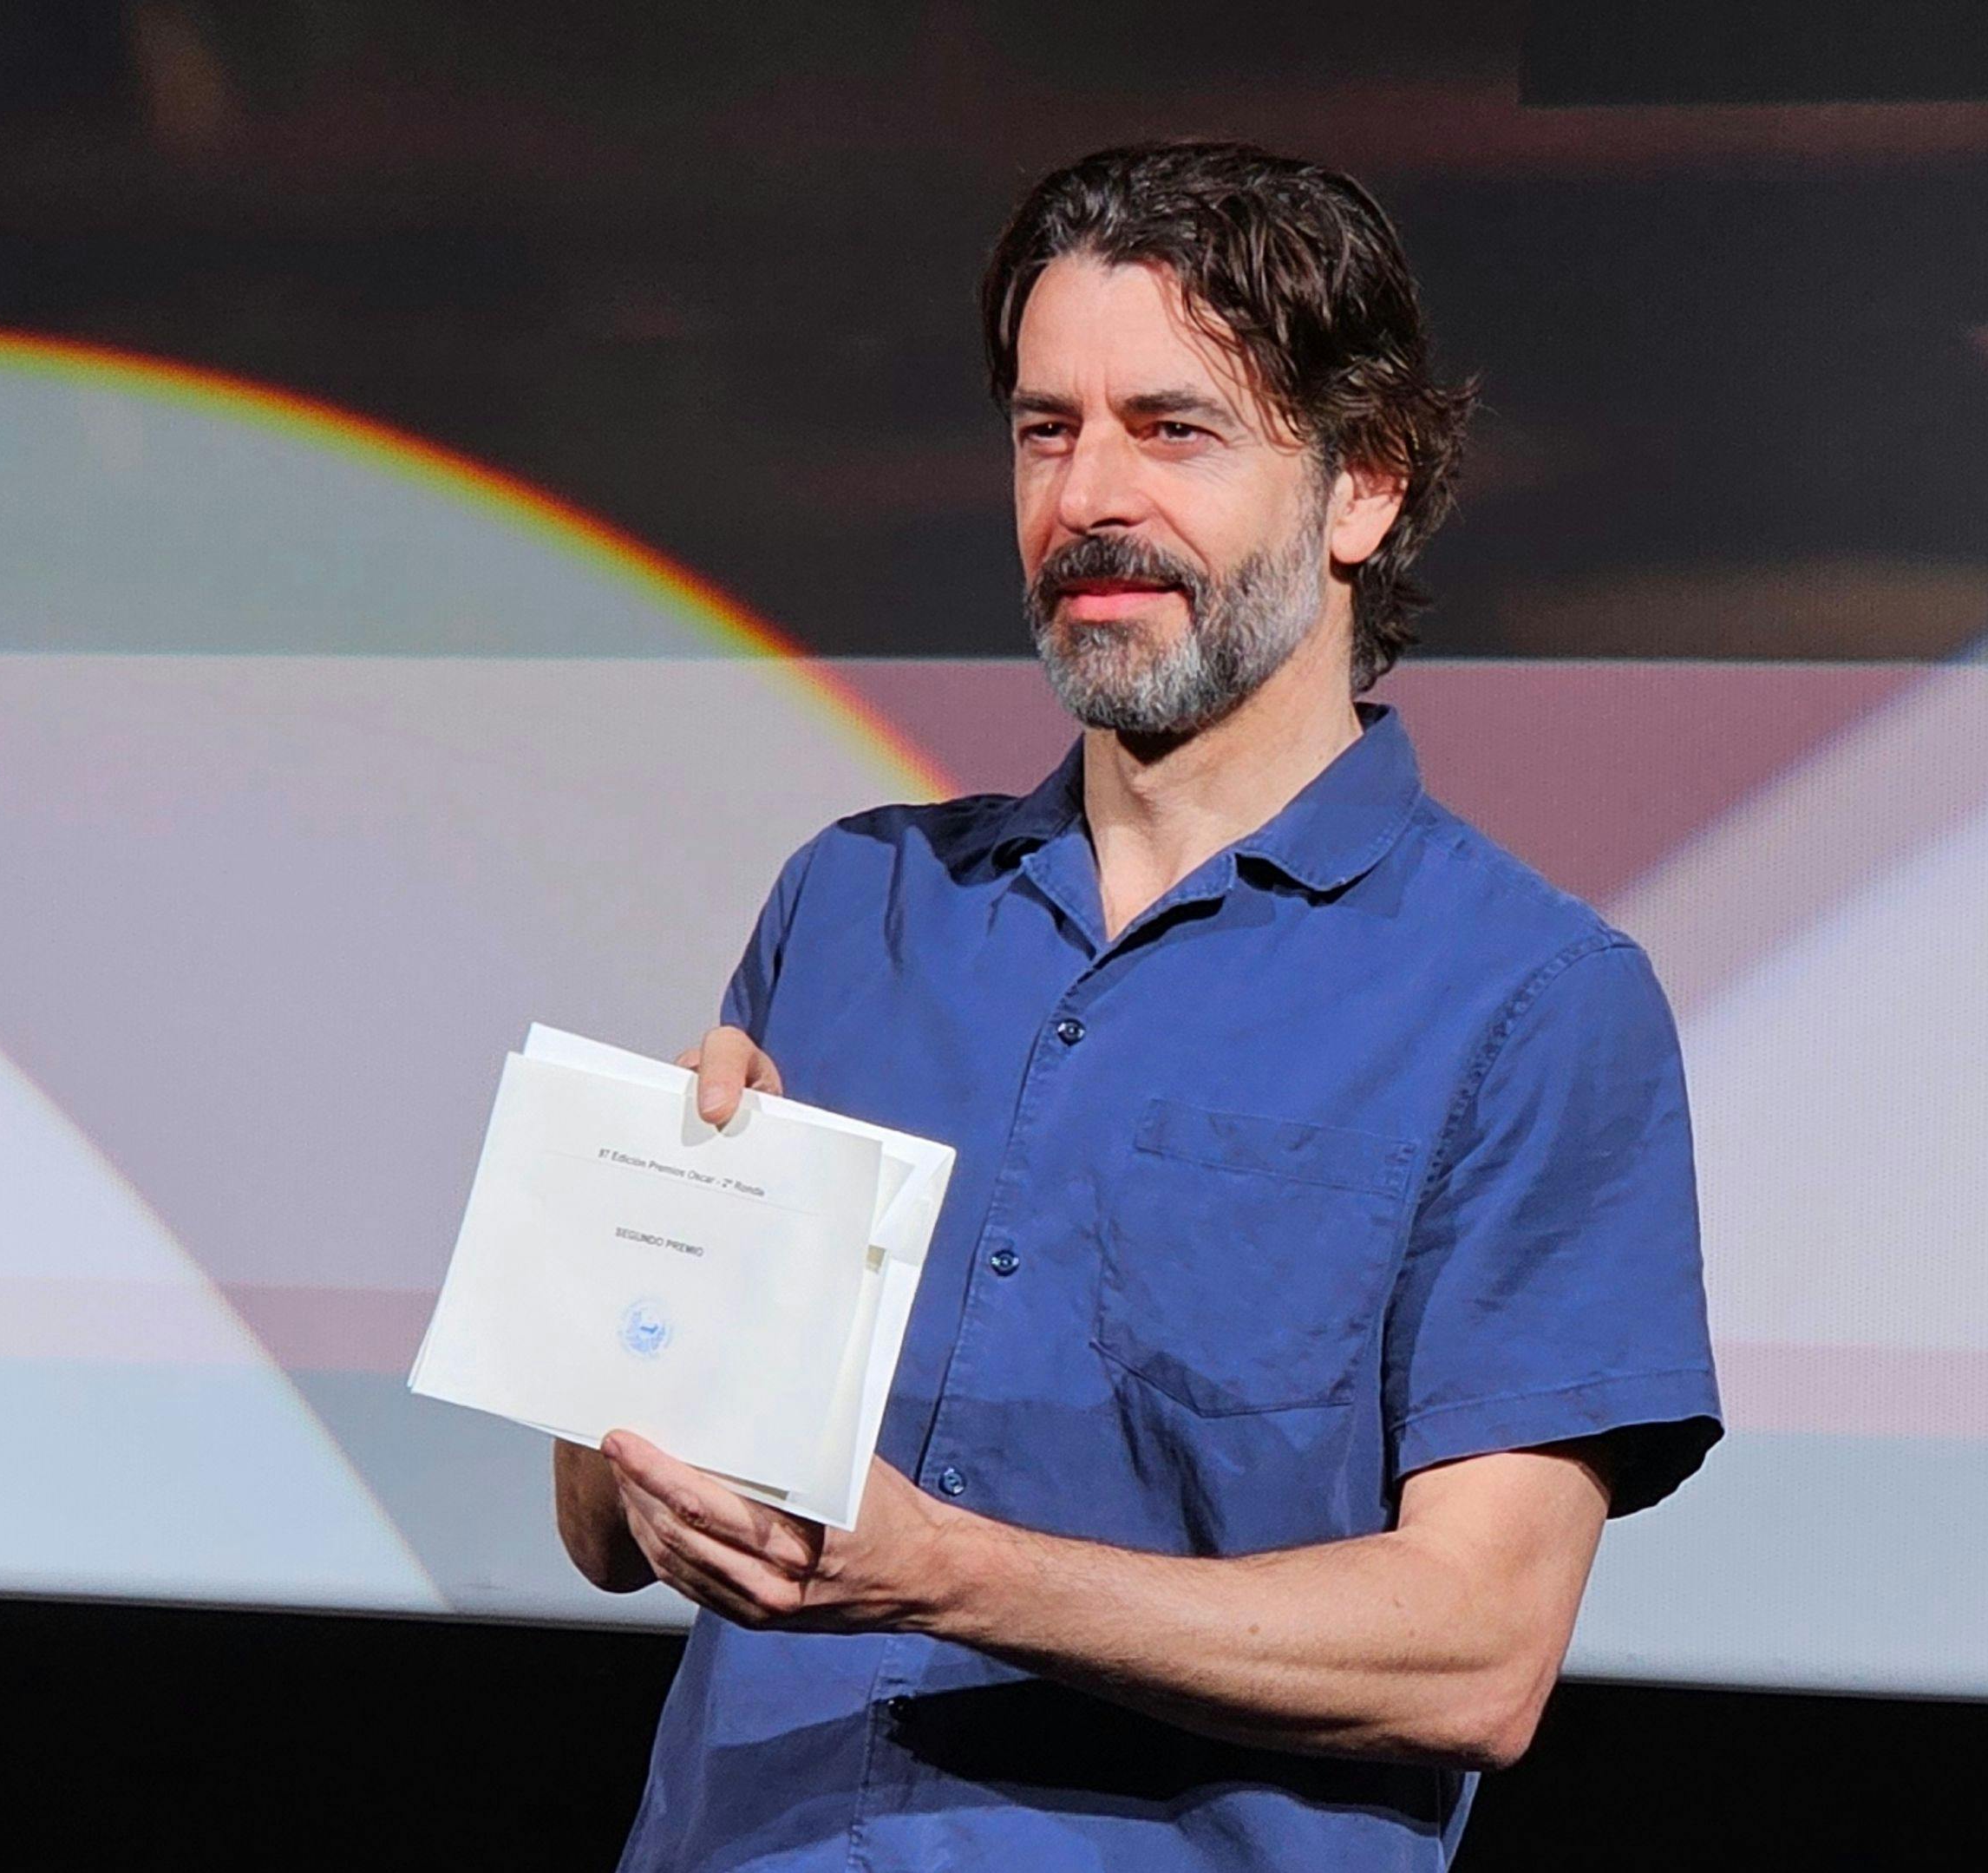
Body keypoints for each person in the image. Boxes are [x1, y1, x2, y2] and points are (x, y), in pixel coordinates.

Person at [554, 139, 1723, 1870]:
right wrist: (651, 1263)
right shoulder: (857, 901)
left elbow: (1478, 1651)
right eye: (1047, 430)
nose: (1090, 495)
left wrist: (951, 1573)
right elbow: (599, 1521)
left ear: (1364, 488)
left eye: (1172, 430)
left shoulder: (1529, 1002)